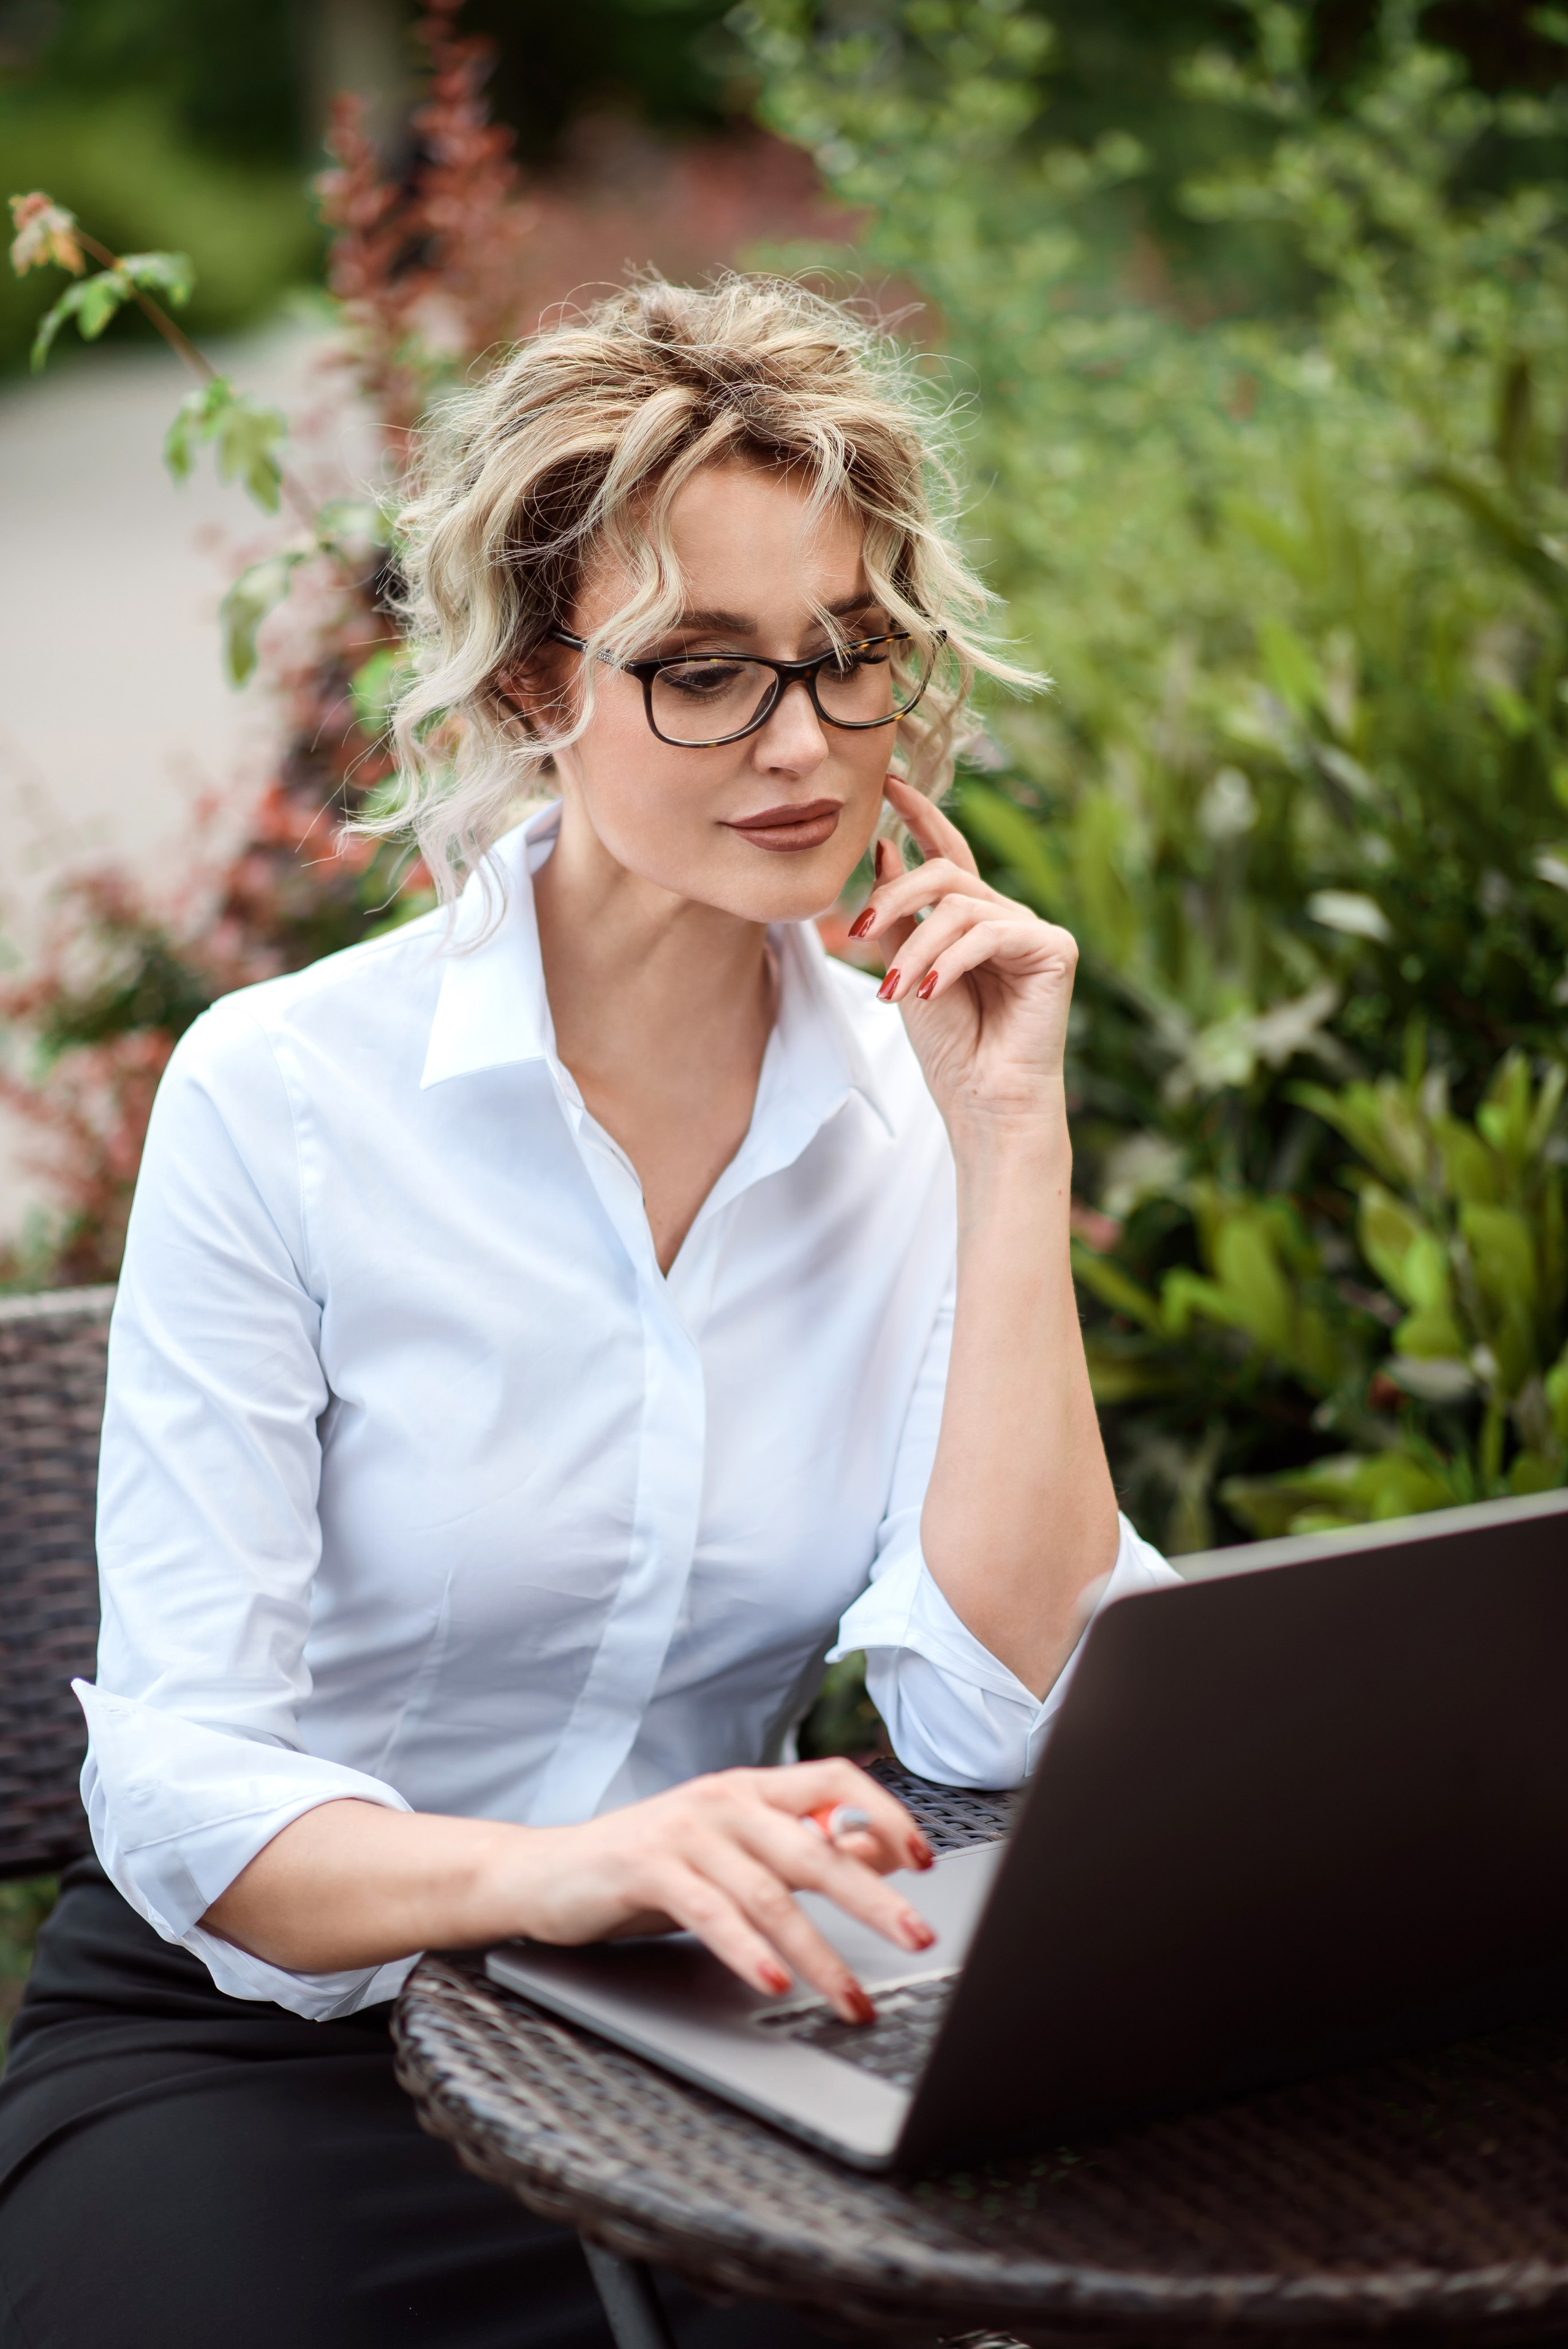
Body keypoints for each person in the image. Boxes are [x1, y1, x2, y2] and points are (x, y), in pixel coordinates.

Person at [0, 274, 1175, 2348]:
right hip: (265, 2046)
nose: (802, 740)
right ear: (541, 680)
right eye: (704, 670)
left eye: (847, 654)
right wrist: (564, 1867)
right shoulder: (285, 1094)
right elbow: (187, 1793)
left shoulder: (911, 1108)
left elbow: (1001, 1717)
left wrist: (1011, 1149)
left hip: (689, 2034)